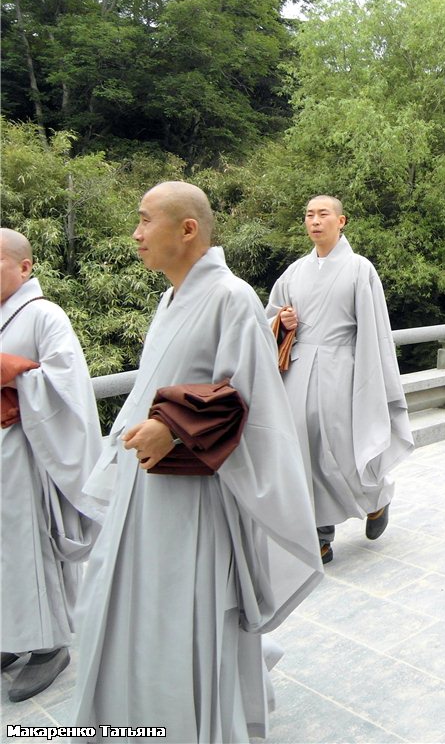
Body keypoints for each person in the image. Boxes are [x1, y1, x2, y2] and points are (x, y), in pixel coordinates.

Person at [70, 181, 323, 743]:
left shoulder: (231, 296)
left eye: (144, 221)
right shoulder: (171, 298)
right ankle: (139, 719)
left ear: (188, 229)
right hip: (148, 489)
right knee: (138, 610)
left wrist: (175, 429)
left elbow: (250, 399)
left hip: (194, 498)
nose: (135, 235)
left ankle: (190, 723)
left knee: (184, 613)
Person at [266, 195, 414, 564]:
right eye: (309, 215)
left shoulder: (359, 269)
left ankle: (376, 497)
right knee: (303, 451)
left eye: (323, 214)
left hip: (343, 369)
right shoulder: (295, 271)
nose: (315, 221)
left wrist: (371, 377)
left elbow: (375, 329)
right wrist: (280, 322)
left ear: (341, 220)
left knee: (343, 447)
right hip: (299, 369)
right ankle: (320, 535)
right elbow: (268, 315)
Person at [0, 228, 105, 702]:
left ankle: (47, 645)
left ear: (25, 267)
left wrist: (15, 377)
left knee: (26, 545)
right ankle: (10, 636)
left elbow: (69, 385)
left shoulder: (45, 315)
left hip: (28, 450)